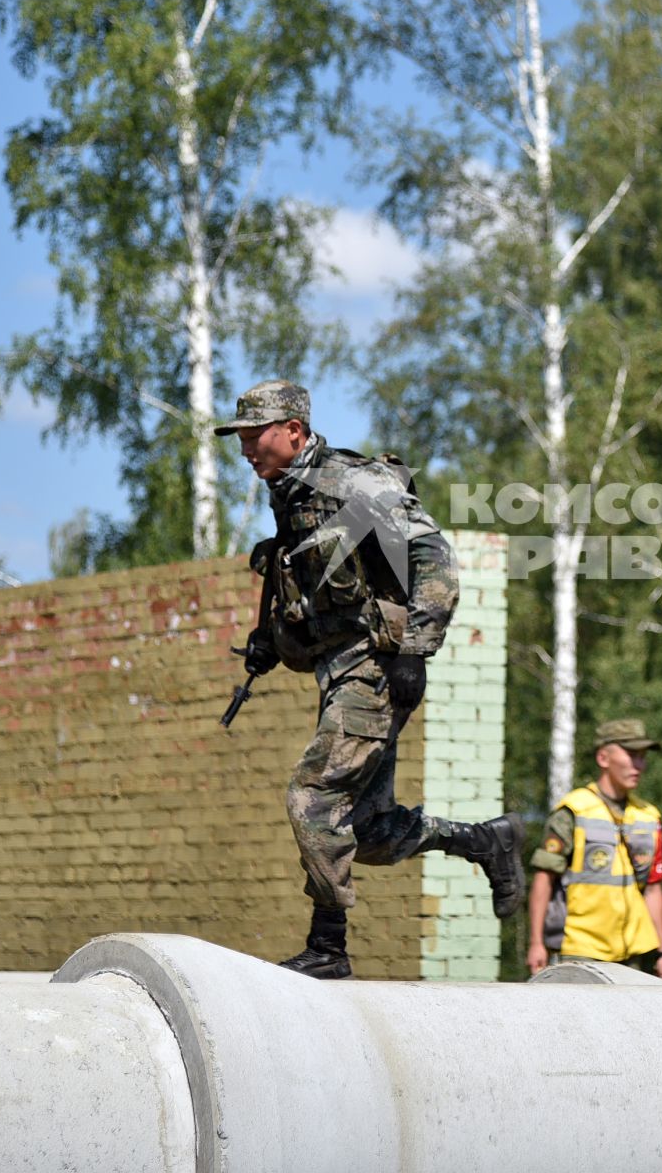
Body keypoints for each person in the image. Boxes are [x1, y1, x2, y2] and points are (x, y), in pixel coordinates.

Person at [220, 379, 525, 980]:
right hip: (343, 670)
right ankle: (484, 841)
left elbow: (434, 560)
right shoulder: (290, 490)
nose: (248, 451)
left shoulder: (352, 482)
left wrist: (415, 649)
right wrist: (269, 641)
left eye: (256, 437)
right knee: (366, 831)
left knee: (314, 796)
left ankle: (328, 950)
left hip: (375, 667)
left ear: (296, 432)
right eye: (242, 441)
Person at [525, 719, 662, 980]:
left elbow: (653, 887)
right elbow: (543, 879)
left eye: (642, 757)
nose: (638, 765)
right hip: (579, 950)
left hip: (632, 955)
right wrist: (536, 942)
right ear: (603, 758)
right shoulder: (573, 810)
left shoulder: (648, 816)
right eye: (630, 755)